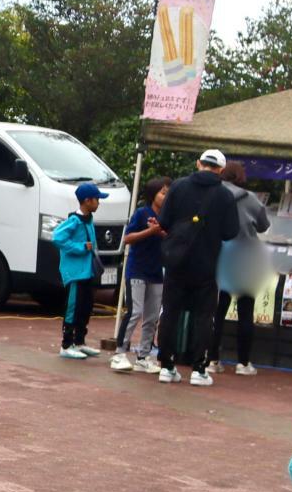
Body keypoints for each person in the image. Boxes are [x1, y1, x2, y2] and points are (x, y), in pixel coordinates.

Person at [156, 148, 241, 387]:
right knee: (204, 316)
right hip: (206, 264)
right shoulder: (225, 196)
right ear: (221, 170)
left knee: (170, 313)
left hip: (176, 261)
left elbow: (163, 222)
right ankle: (198, 368)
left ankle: (167, 365)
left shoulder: (178, 187)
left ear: (198, 163)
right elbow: (230, 232)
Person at [208, 160, 272, 377]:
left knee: (217, 311)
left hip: (218, 256)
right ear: (241, 176)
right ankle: (243, 363)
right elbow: (264, 225)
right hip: (245, 257)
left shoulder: (213, 194)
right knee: (245, 312)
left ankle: (212, 360)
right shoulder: (251, 198)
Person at [114, 178, 168, 373]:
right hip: (137, 270)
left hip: (156, 272)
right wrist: (150, 231)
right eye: (163, 192)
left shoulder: (167, 217)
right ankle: (119, 353)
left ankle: (143, 356)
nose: (166, 196)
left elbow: (170, 239)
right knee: (135, 312)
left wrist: (161, 233)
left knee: (152, 317)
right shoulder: (141, 213)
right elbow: (128, 238)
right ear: (153, 194)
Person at [53, 182, 103, 360]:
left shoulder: (88, 219)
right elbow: (57, 238)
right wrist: (81, 247)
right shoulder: (74, 220)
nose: (99, 203)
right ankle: (66, 344)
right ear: (87, 201)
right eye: (97, 199)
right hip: (75, 273)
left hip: (87, 271)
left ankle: (79, 341)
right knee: (73, 308)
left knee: (85, 306)